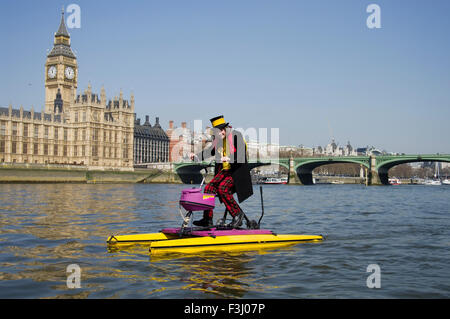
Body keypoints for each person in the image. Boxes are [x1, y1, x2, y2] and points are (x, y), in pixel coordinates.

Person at [190, 115, 253, 228]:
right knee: (209, 188)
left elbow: (241, 154)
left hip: (237, 172)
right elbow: (209, 151)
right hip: (225, 172)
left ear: (225, 128)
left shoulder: (236, 136)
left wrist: (230, 158)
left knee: (222, 188)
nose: (219, 134)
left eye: (220, 131)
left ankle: (238, 215)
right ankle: (207, 219)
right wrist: (196, 156)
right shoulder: (218, 140)